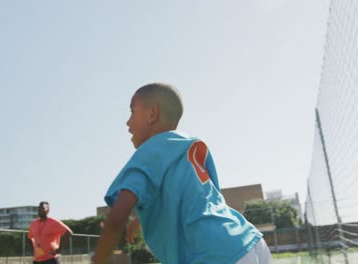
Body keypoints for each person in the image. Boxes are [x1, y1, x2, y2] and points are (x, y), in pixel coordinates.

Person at [93, 83, 272, 264]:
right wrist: (139, 220)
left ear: (152, 114)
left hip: (213, 254)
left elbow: (117, 217)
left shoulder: (149, 151)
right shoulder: (187, 146)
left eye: (132, 112)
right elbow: (190, 198)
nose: (128, 122)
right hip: (248, 240)